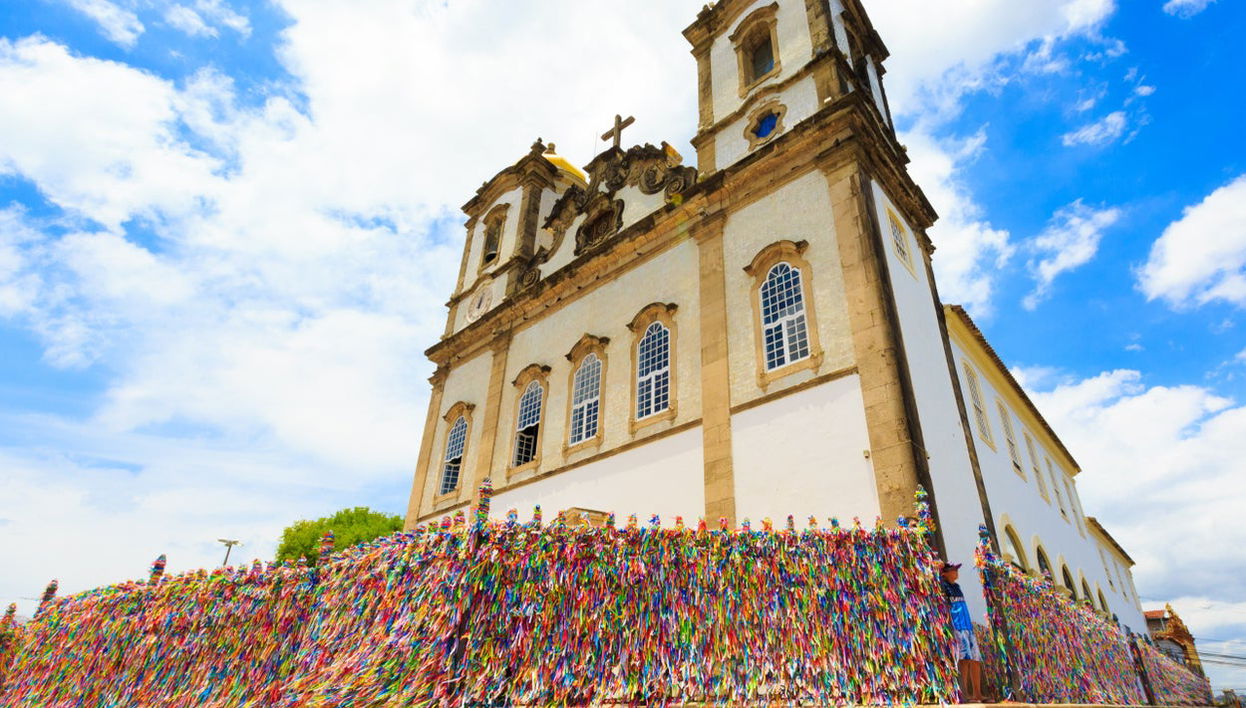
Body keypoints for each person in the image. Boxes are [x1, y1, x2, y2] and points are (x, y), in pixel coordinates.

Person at [940, 561, 984, 702]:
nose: (956, 572)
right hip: (957, 627)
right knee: (964, 660)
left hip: (968, 627)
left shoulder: (957, 587)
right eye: (953, 570)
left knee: (975, 659)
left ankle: (977, 694)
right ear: (945, 574)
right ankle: (964, 693)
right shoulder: (943, 586)